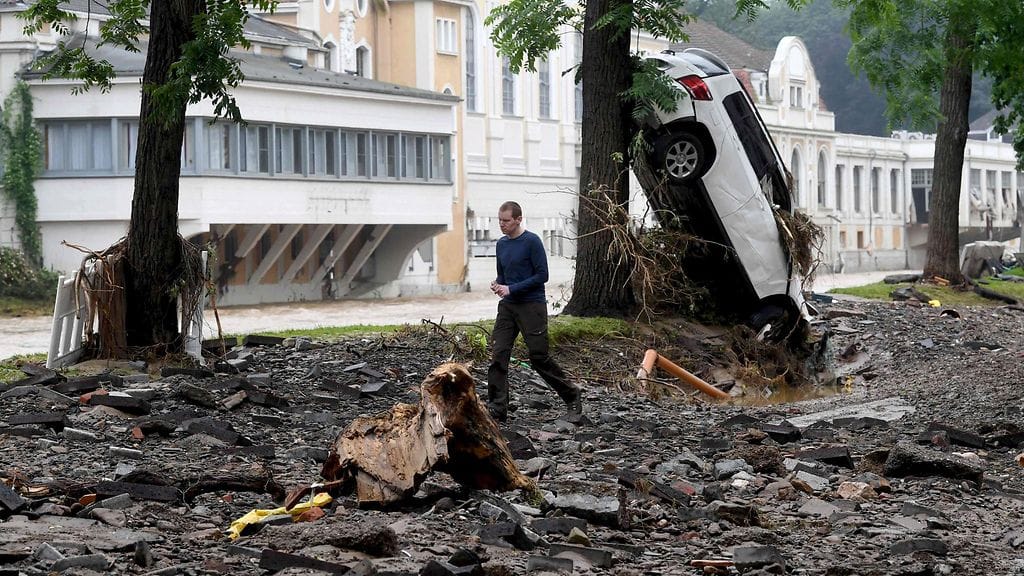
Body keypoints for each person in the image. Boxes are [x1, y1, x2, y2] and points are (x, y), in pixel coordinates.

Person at [487, 201, 582, 423]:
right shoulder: (501, 244)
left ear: (518, 219)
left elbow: (542, 276)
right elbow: (503, 275)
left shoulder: (532, 242)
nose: (502, 224)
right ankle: (497, 408)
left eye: (506, 221)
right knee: (498, 354)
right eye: (499, 220)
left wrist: (512, 288)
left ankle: (571, 394)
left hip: (532, 305)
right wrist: (498, 285)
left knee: (539, 358)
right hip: (508, 306)